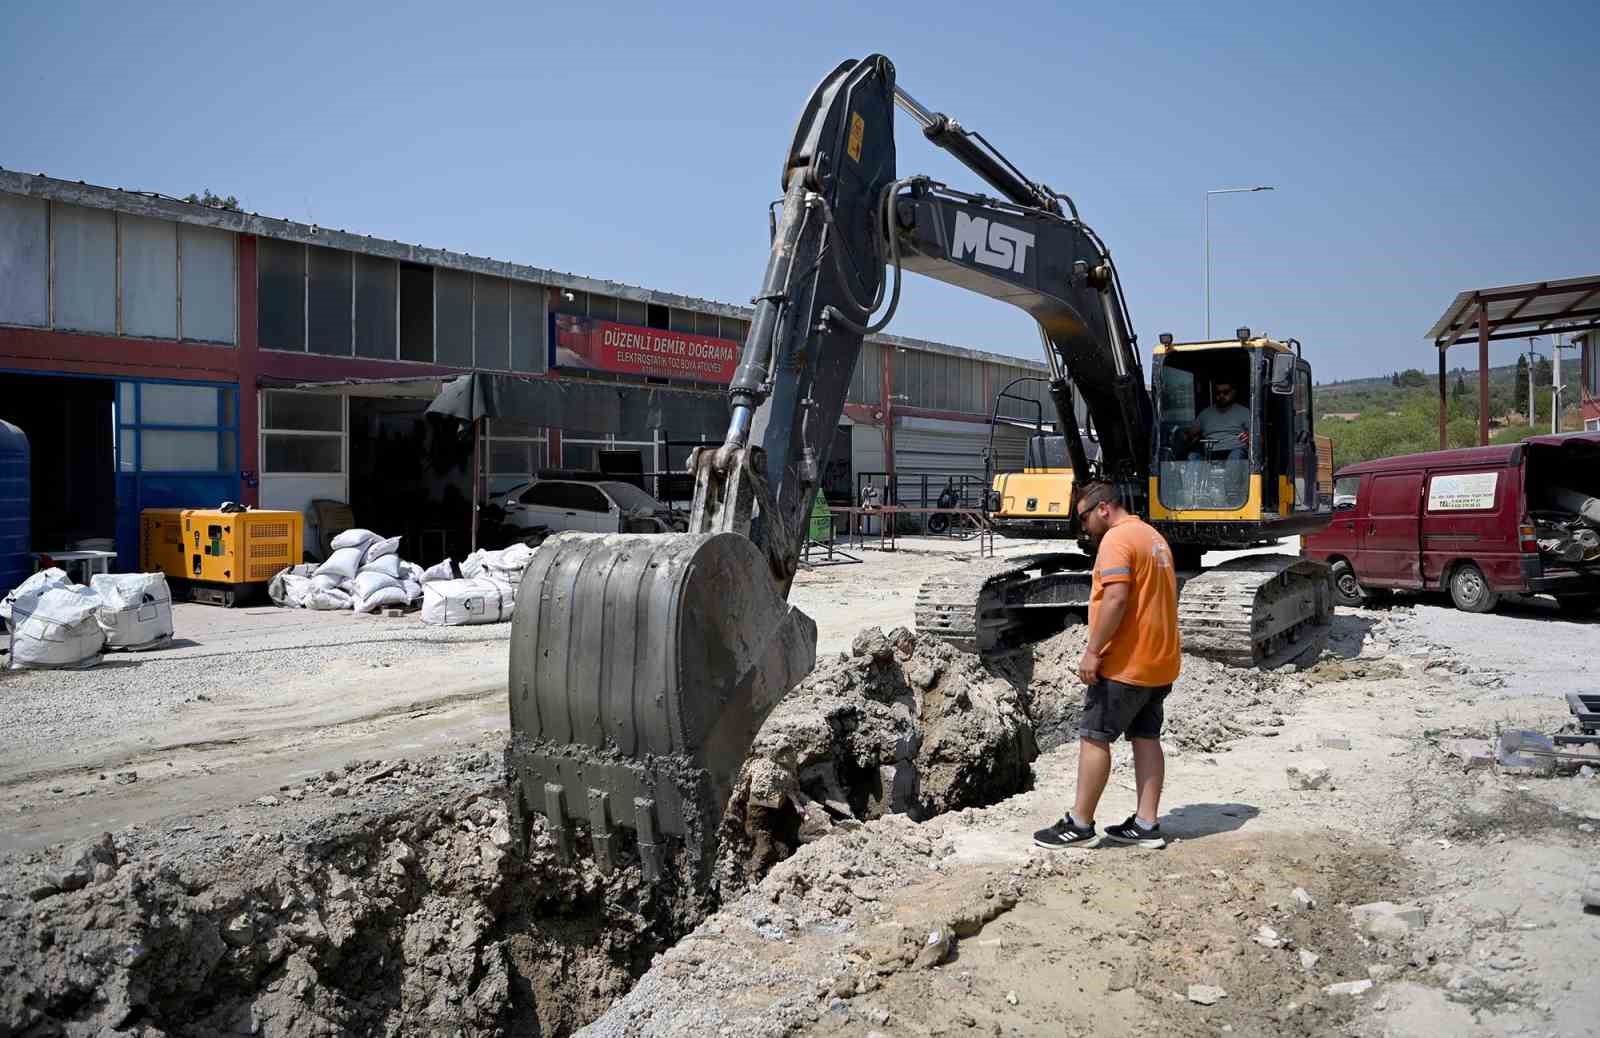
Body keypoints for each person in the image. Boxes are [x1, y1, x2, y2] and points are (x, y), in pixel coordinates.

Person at [1032, 480, 1181, 850]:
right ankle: (1147, 824)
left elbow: (1116, 597)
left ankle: (1080, 823)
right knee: (1146, 737)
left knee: (1094, 736)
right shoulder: (1153, 538)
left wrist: (1094, 651)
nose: (1084, 527)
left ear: (1103, 509)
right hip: (1159, 662)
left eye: (1084, 517)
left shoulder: (1117, 540)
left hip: (1126, 663)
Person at [1183, 380, 1249, 460]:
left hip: (1235, 450)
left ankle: (1231, 472)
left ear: (1233, 392)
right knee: (1192, 456)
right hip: (1210, 453)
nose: (1221, 395)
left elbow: (1257, 437)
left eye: (1225, 392)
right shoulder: (1205, 413)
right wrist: (1188, 435)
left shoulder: (1244, 412)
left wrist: (1248, 437)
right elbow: (1191, 432)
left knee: (1236, 455)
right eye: (1218, 392)